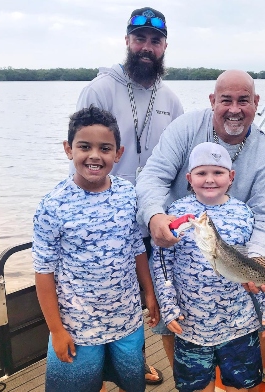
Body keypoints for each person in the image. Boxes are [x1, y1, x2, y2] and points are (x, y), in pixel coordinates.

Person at [135, 69, 265, 386]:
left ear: (256, 102)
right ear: (212, 101)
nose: (234, 109)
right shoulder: (185, 127)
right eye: (225, 100)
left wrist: (259, 259)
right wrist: (154, 216)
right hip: (179, 248)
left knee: (247, 340)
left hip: (238, 265)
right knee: (174, 330)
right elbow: (152, 177)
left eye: (243, 100)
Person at [75, 6, 183, 385]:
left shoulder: (171, 99)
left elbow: (180, 167)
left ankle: (133, 361)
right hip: (106, 217)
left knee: (149, 293)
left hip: (152, 218)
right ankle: (110, 367)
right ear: (127, 41)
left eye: (155, 41)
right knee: (106, 293)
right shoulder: (100, 89)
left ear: (164, 46)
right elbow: (82, 152)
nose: (146, 48)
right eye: (140, 39)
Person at [33, 106, 159, 392]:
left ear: (118, 153)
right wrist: (56, 330)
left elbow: (137, 247)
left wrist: (149, 293)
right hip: (77, 328)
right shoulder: (52, 205)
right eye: (84, 147)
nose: (94, 155)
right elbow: (43, 271)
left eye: (105, 148)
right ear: (68, 149)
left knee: (131, 381)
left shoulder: (128, 193)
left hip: (127, 321)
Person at [152, 142, 265, 392]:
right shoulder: (176, 213)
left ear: (231, 177)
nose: (210, 180)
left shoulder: (244, 213)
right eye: (201, 173)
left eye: (218, 172)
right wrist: (168, 307)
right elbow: (162, 262)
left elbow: (256, 265)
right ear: (189, 178)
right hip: (191, 328)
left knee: (242, 387)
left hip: (240, 324)